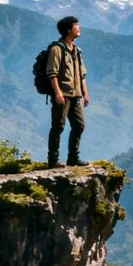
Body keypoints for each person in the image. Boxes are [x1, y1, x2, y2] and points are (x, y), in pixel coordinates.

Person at [45, 15, 89, 168]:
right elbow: (52, 73)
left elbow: (82, 74)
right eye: (76, 26)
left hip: (75, 95)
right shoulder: (57, 49)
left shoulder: (77, 51)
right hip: (63, 95)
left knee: (79, 125)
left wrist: (85, 93)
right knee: (58, 126)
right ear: (69, 29)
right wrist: (57, 93)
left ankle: (73, 158)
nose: (79, 28)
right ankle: (53, 160)